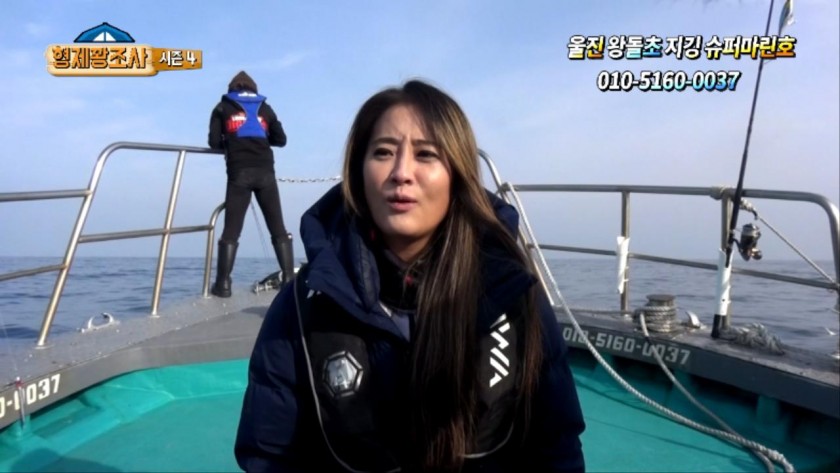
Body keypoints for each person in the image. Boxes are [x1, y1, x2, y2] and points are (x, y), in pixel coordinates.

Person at [234, 79, 585, 472]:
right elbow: (270, 456)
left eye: (426, 154)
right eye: (383, 152)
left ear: (457, 175)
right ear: (358, 173)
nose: (401, 173)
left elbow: (555, 447)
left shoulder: (515, 296)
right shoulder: (301, 308)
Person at [208, 71, 296, 297]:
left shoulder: (222, 107)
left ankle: (223, 285)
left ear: (232, 88)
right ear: (253, 88)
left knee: (231, 231)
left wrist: (230, 142)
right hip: (266, 173)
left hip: (239, 173)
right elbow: (281, 140)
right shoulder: (265, 107)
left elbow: (213, 142)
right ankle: (288, 279)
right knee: (277, 227)